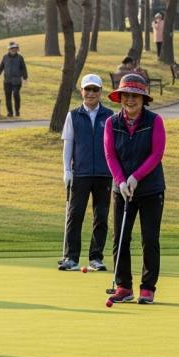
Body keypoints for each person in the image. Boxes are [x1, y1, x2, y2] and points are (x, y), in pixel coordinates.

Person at [104, 74, 166, 305]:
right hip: (122, 189)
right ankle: (124, 286)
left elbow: (156, 154)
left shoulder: (155, 121)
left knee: (149, 239)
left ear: (143, 99)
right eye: (126, 95)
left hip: (151, 188)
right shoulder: (112, 123)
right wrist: (121, 181)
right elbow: (110, 154)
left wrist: (136, 177)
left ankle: (148, 288)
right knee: (120, 238)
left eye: (135, 96)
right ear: (120, 98)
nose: (130, 100)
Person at [58, 74, 114, 272]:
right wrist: (67, 170)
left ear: (100, 92)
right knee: (75, 215)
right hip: (80, 173)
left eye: (95, 90)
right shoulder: (73, 115)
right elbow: (68, 144)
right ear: (81, 91)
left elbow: (114, 147)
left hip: (104, 173)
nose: (91, 93)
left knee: (101, 216)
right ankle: (71, 257)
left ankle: (96, 257)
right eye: (87, 89)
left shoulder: (110, 116)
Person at [0, 41, 28, 117]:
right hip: (7, 80)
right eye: (12, 48)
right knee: (8, 96)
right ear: (9, 49)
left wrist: (25, 78)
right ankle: (10, 112)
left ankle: (17, 111)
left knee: (16, 94)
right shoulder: (5, 57)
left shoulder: (20, 57)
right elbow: (1, 67)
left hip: (17, 81)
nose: (14, 50)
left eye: (15, 48)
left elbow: (23, 68)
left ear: (17, 49)